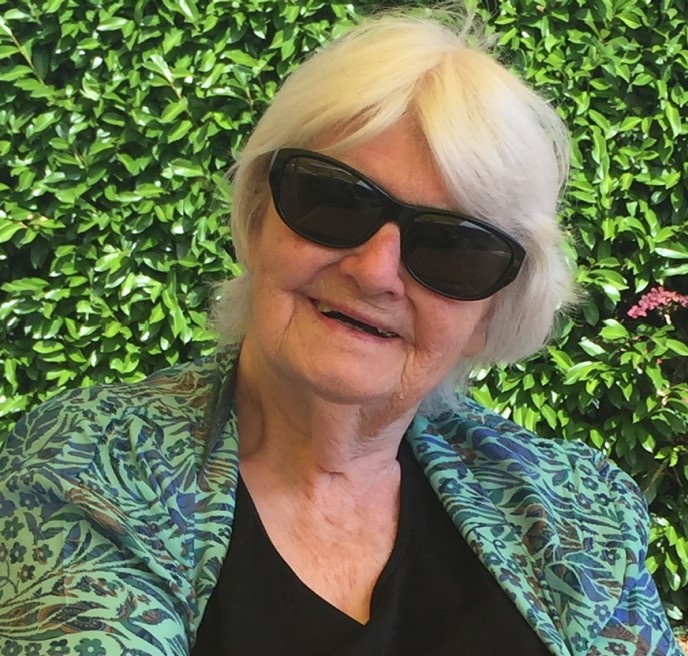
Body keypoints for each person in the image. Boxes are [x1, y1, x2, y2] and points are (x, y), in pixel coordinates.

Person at [0, 7, 682, 656]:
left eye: (452, 247)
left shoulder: (577, 509)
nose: (376, 272)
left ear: (490, 313)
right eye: (335, 200)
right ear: (258, 218)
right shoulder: (85, 467)